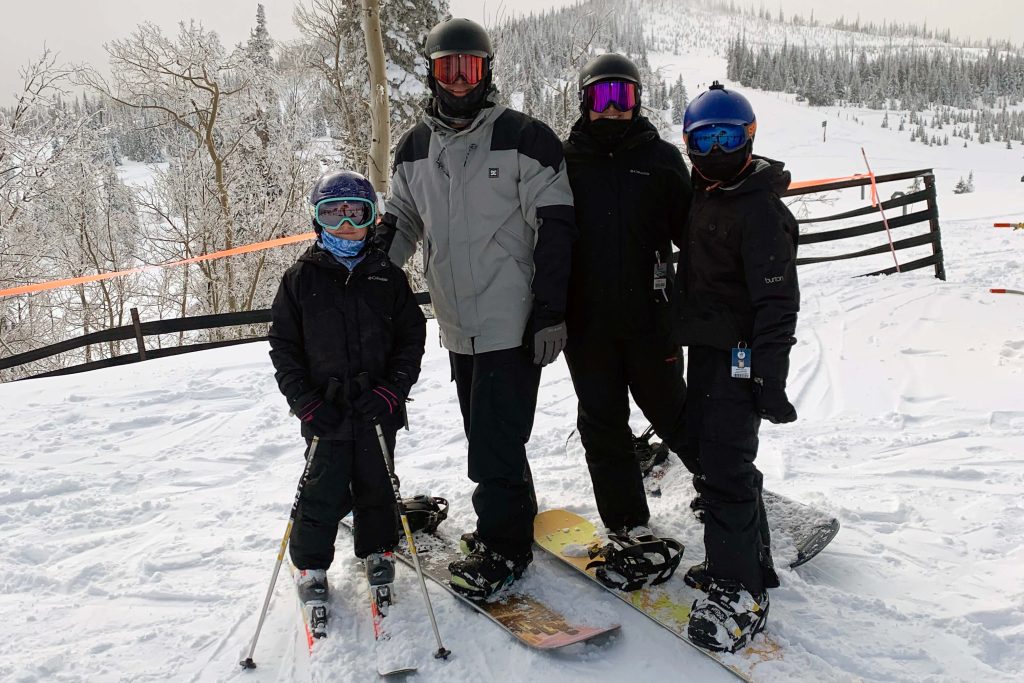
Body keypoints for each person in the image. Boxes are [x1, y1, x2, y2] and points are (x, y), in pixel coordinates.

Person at [380, 18, 576, 601]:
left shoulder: (525, 138)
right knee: (488, 429)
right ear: (433, 74)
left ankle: (504, 546)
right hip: (458, 322)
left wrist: (549, 311)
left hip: (511, 319)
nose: (458, 81)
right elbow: (403, 221)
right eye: (447, 69)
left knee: (491, 437)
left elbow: (557, 227)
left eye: (469, 68)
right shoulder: (415, 147)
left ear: (487, 70)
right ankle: (517, 508)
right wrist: (371, 281)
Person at [268, 169, 427, 624]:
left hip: (376, 410)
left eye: (354, 214)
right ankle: (311, 565)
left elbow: (409, 340)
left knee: (378, 485)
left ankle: (378, 550)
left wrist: (391, 392)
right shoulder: (301, 279)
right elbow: (285, 347)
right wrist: (304, 402)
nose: (344, 226)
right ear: (317, 221)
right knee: (321, 491)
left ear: (371, 219)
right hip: (326, 412)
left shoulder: (387, 277)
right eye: (332, 215)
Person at [674, 81, 800, 653]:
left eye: (729, 138)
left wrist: (769, 374)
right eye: (706, 138)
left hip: (741, 357)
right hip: (703, 349)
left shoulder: (761, 210)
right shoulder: (704, 193)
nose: (717, 150)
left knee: (725, 464)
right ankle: (752, 559)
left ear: (749, 139)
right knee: (713, 455)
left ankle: (740, 590)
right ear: (689, 144)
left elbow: (777, 301)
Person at [560, 53, 691, 589]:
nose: (613, 109)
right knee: (602, 422)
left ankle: (724, 493)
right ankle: (628, 524)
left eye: (624, 97)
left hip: (651, 318)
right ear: (586, 102)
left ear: (638, 101)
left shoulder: (660, 159)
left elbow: (696, 229)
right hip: (586, 324)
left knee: (675, 410)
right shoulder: (564, 160)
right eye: (602, 97)